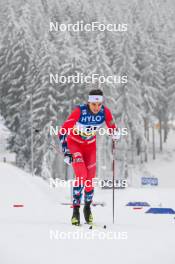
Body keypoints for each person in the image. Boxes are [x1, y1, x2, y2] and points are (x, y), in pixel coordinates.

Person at [58, 89, 119, 226]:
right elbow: (62, 130)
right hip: (75, 145)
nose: (97, 108)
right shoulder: (80, 111)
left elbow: (112, 126)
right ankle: (75, 211)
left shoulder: (105, 111)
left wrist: (115, 134)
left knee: (90, 179)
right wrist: (66, 152)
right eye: (93, 105)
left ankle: (87, 208)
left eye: (99, 104)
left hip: (90, 147)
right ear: (88, 102)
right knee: (81, 175)